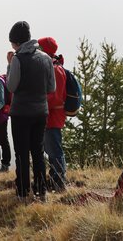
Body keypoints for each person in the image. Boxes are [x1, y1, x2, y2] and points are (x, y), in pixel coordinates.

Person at [6, 21, 56, 202]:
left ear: (17, 42)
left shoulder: (18, 59)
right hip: (41, 111)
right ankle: (41, 191)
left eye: (12, 41)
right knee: (38, 151)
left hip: (21, 113)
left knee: (21, 152)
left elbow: (11, 87)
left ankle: (22, 192)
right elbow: (51, 87)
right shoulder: (46, 58)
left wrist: (10, 65)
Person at [38, 37, 67, 192]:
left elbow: (54, 96)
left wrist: (37, 101)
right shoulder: (53, 67)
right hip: (50, 115)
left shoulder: (55, 70)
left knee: (54, 150)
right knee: (51, 150)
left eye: (39, 48)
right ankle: (55, 180)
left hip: (53, 116)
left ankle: (59, 182)